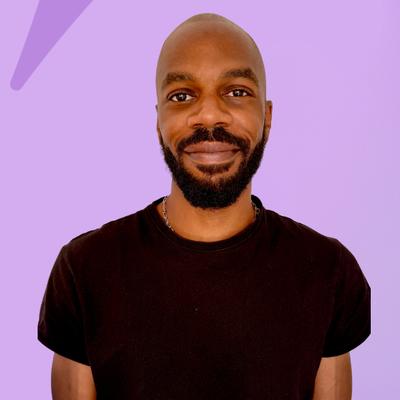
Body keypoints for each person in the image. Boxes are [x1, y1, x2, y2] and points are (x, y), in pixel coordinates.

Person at [38, 13, 371, 400]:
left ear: (266, 117)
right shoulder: (84, 270)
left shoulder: (327, 272)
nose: (210, 115)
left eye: (237, 92)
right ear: (159, 121)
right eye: (182, 96)